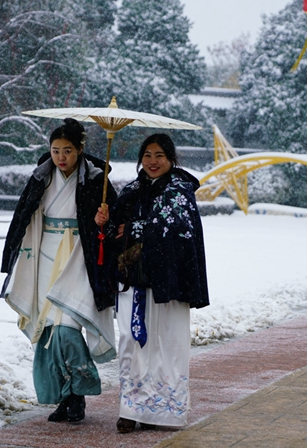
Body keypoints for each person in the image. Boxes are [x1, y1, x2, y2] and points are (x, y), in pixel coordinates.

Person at [0, 118, 117, 423]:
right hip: (45, 252)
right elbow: (24, 214)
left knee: (67, 328)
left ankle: (79, 390)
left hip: (80, 255)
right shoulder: (42, 176)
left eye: (67, 150)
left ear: (80, 149)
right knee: (47, 330)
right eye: (55, 150)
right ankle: (65, 397)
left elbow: (117, 223)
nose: (61, 157)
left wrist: (105, 219)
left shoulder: (95, 179)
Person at [95, 133, 210, 433]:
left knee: (166, 346)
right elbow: (114, 235)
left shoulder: (179, 191)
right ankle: (131, 408)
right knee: (132, 343)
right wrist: (103, 222)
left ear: (171, 159)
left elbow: (178, 233)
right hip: (133, 281)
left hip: (168, 285)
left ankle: (166, 411)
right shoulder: (131, 190)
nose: (152, 161)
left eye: (159, 155)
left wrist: (134, 228)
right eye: (147, 155)